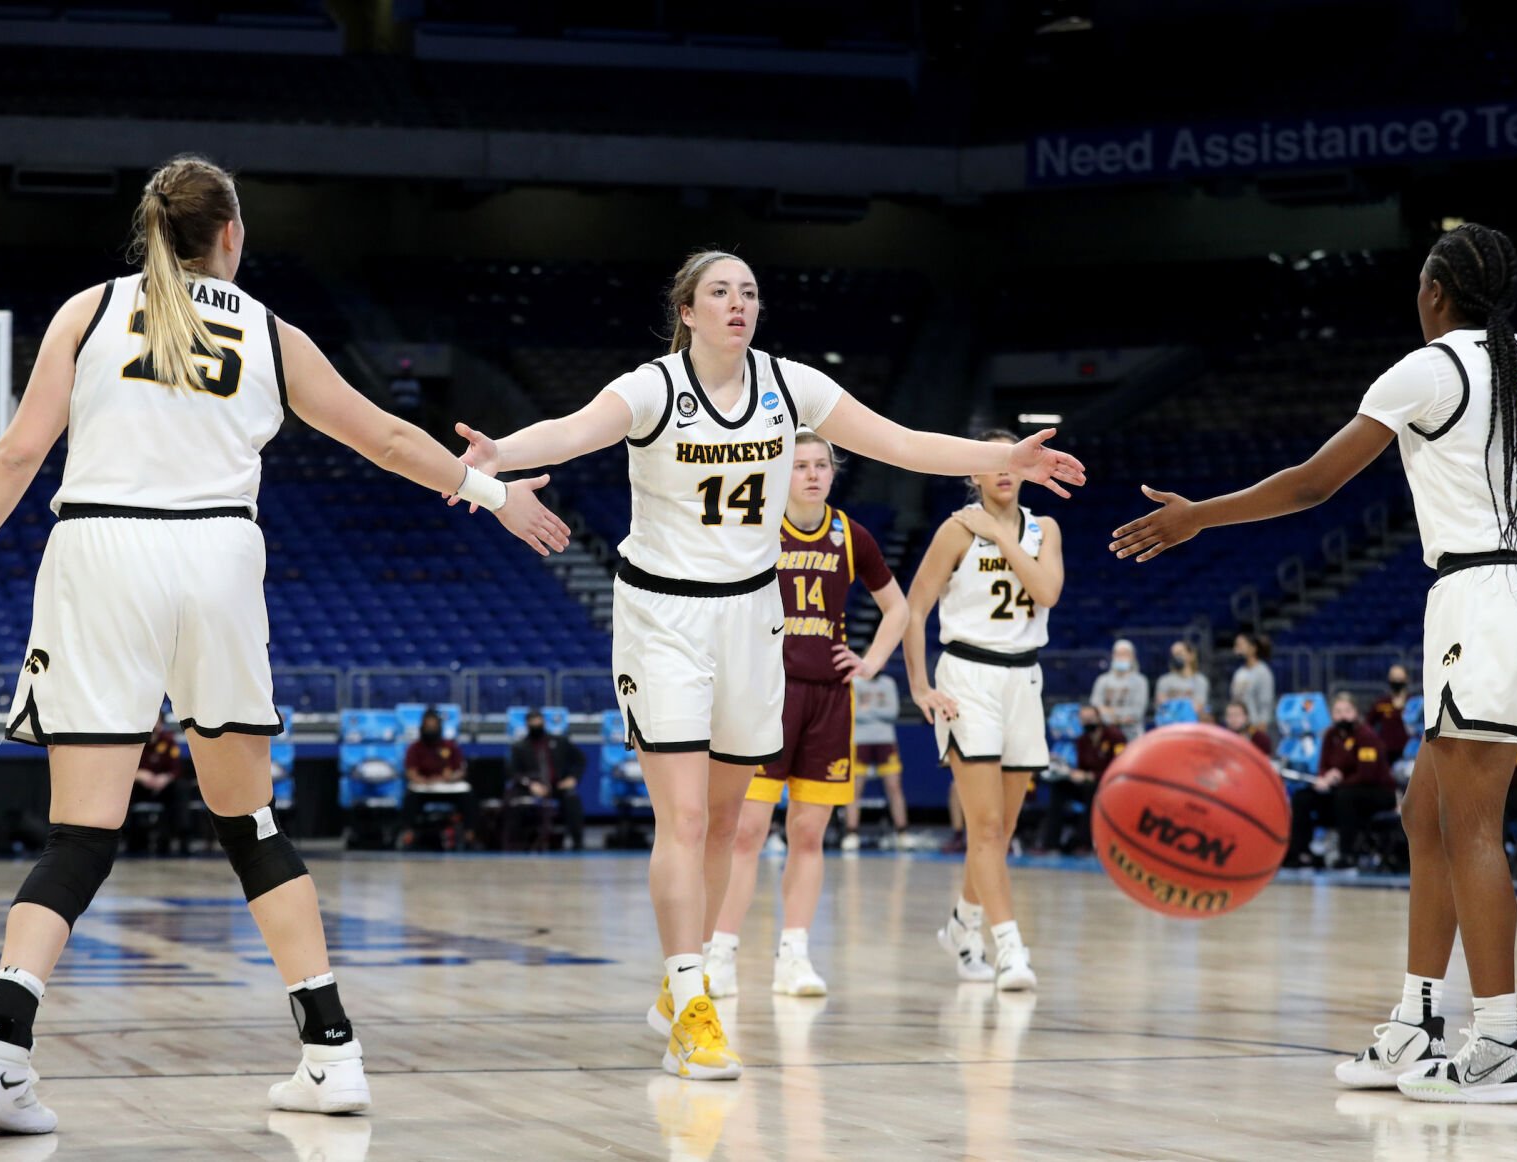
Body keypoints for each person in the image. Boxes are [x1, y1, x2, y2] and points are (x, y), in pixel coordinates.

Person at [0, 154, 569, 1135]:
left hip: (100, 551)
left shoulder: (86, 312)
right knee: (248, 819)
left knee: (81, 832)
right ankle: (331, 1052)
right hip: (215, 558)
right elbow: (385, 436)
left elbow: (16, 454)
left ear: (152, 232)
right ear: (232, 234)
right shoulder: (267, 327)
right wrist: (496, 493)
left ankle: (2, 1046)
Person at [448, 251, 1083, 1079]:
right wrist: (498, 451)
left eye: (748, 292)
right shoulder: (653, 388)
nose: (738, 303)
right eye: (720, 292)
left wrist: (998, 460)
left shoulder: (791, 386)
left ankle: (680, 984)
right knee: (682, 820)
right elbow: (570, 432)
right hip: (664, 616)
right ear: (687, 310)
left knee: (720, 823)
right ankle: (692, 999)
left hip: (756, 615)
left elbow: (895, 441)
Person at [1111, 223, 1517, 1104]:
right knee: (1425, 812)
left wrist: (1196, 518)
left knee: (1472, 827)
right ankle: (1416, 1023)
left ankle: (1496, 1046)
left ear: (1436, 293)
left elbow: (1310, 485)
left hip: (1479, 595)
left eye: (1420, 283)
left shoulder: (1425, 367)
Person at [707, 430, 908, 999]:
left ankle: (794, 954)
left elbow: (899, 607)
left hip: (828, 697)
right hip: (766, 694)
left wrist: (870, 662)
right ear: (781, 473)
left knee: (809, 833)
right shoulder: (760, 527)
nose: (814, 474)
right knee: (746, 832)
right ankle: (719, 952)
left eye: (822, 465)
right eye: (801, 466)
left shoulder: (850, 534)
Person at [904, 428, 1066, 992]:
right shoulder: (955, 530)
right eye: (991, 462)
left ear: (1025, 469)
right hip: (967, 675)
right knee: (988, 826)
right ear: (972, 473)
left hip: (1024, 678)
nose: (1003, 470)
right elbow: (915, 607)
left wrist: (1000, 533)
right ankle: (1011, 950)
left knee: (1004, 829)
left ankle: (963, 924)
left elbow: (1046, 592)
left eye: (1011, 461)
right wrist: (920, 686)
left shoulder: (1046, 530)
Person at [1284, 692, 1395, 870]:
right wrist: (1325, 778)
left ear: (1356, 712)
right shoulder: (1330, 735)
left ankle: (1347, 854)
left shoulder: (1367, 736)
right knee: (1303, 797)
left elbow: (1367, 774)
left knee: (1345, 796)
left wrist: (1338, 781)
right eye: (1338, 711)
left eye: (1347, 711)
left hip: (1377, 791)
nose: (1343, 715)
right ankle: (1300, 853)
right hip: (1342, 790)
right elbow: (1323, 766)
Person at [1037, 704, 1125, 854]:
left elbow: (1120, 767)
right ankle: (1050, 844)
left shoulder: (1115, 737)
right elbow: (1081, 767)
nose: (1087, 722)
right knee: (1060, 786)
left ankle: (1083, 843)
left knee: (1092, 788)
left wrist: (1092, 776)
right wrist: (1066, 769)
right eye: (1083, 719)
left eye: (1090, 718)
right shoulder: (1082, 740)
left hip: (1109, 786)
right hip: (1086, 783)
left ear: (1098, 718)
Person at [846, 671, 914, 850]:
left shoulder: (888, 682)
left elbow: (893, 712)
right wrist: (878, 712)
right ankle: (851, 833)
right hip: (860, 741)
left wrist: (868, 709)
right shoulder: (855, 681)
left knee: (894, 787)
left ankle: (902, 832)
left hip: (886, 741)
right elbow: (853, 712)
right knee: (854, 790)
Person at [506, 709, 587, 851]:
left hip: (557, 786)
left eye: (538, 720)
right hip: (531, 788)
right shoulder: (519, 747)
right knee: (514, 804)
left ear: (543, 721)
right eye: (532, 721)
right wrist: (530, 785)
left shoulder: (559, 741)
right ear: (527, 724)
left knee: (572, 798)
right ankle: (516, 844)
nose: (536, 723)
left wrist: (573, 778)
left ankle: (577, 843)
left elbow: (580, 759)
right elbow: (513, 772)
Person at [401, 710, 469, 850]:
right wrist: (424, 781)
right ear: (422, 727)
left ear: (440, 727)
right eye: (428, 726)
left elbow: (461, 771)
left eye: (434, 726)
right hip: (424, 788)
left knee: (468, 796)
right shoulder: (415, 748)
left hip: (448, 788)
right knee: (410, 797)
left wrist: (451, 777)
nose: (431, 730)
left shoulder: (450, 746)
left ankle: (469, 835)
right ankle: (409, 833)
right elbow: (411, 773)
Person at [127, 717, 191, 855]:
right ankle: (127, 840)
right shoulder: (134, 741)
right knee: (124, 790)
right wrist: (137, 774)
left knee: (181, 788)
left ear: (161, 724)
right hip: (140, 787)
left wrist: (166, 777)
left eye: (157, 721)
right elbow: (122, 768)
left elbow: (176, 768)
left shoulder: (168, 740)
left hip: (164, 788)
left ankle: (181, 838)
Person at [1089, 639, 1149, 740]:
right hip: (1106, 735)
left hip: (1132, 736)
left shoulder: (1140, 681)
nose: (1121, 657)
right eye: (1118, 654)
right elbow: (1095, 708)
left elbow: (1137, 712)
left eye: (1125, 654)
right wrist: (1119, 717)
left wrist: (1108, 713)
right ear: (1113, 656)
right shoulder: (1102, 680)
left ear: (1132, 657)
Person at [1366, 665, 1414, 764]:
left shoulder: (1413, 702)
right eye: (1394, 678)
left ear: (1406, 679)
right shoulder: (1381, 702)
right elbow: (1368, 724)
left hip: (1410, 752)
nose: (1397, 681)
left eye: (1400, 678)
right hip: (1386, 753)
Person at [1230, 633, 1276, 732]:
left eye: (1241, 644)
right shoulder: (1239, 673)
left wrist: (1262, 723)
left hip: (1255, 726)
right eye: (1236, 644)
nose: (1237, 647)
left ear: (1253, 648)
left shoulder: (1263, 672)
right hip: (1239, 726)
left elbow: (1266, 702)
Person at [1153, 640, 1210, 718]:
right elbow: (1162, 707)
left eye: (1179, 654)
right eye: (1174, 655)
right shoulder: (1164, 680)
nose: (1176, 658)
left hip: (1193, 726)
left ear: (1191, 655)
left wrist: (1172, 704)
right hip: (1170, 726)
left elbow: (1198, 707)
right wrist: (1186, 704)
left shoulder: (1200, 680)